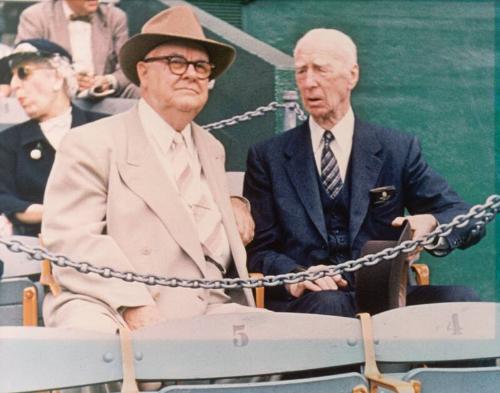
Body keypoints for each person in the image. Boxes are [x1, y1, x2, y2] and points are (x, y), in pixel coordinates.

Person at [42, 5, 260, 334]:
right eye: (176, 62)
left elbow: (188, 221)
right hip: (118, 306)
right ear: (143, 72)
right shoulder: (92, 143)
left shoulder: (212, 149)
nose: (191, 73)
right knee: (93, 343)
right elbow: (73, 239)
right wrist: (134, 303)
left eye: (201, 66)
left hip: (212, 308)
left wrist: (234, 203)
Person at [243, 28, 485, 317]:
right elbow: (258, 251)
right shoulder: (267, 157)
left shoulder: (397, 149)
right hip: (310, 301)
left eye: (320, 70)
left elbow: (465, 218)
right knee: (329, 303)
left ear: (352, 75)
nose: (308, 83)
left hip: (385, 296)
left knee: (464, 301)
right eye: (301, 72)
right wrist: (296, 275)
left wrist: (430, 225)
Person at [0, 39, 107, 237]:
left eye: (23, 72)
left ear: (57, 78)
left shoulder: (106, 128)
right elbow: (5, 200)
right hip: (39, 254)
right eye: (12, 76)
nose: (14, 85)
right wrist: (66, 213)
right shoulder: (8, 142)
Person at [16, 0, 139, 98]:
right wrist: (69, 80)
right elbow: (24, 65)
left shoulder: (115, 17)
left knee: (140, 90)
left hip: (105, 95)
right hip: (56, 94)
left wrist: (109, 81)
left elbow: (127, 66)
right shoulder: (35, 16)